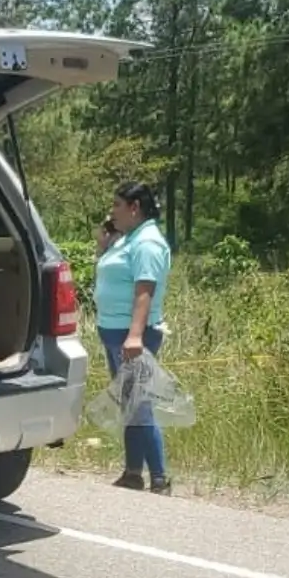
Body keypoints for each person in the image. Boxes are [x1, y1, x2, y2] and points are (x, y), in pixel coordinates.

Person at [92, 181, 173, 494]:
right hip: (115, 332)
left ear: (134, 207)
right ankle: (132, 473)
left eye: (117, 205)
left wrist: (135, 336)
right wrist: (106, 243)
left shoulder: (147, 242)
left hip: (133, 334)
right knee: (130, 403)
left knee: (139, 405)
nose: (112, 211)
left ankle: (160, 478)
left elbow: (145, 291)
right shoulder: (129, 239)